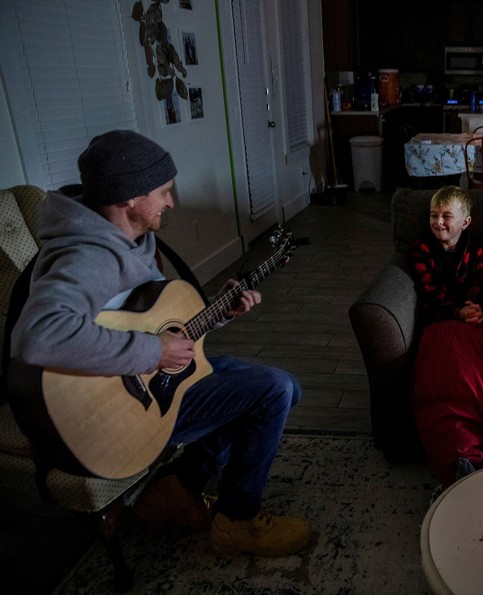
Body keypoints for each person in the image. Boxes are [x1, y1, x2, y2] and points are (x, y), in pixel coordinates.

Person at [8, 130, 313, 557]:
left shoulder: (131, 240)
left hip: (148, 388)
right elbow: (40, 336)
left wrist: (219, 313)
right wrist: (154, 352)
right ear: (128, 198)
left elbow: (151, 319)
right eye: (163, 191)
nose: (171, 202)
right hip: (111, 416)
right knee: (272, 390)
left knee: (283, 388)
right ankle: (237, 521)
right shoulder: (88, 256)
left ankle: (178, 485)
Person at [407, 186, 483, 326]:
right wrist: (457, 311)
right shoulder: (420, 250)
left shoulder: (476, 250)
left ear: (465, 223)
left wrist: (479, 309)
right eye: (434, 215)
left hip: (472, 313)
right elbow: (428, 289)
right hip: (440, 316)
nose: (439, 222)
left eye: (447, 216)